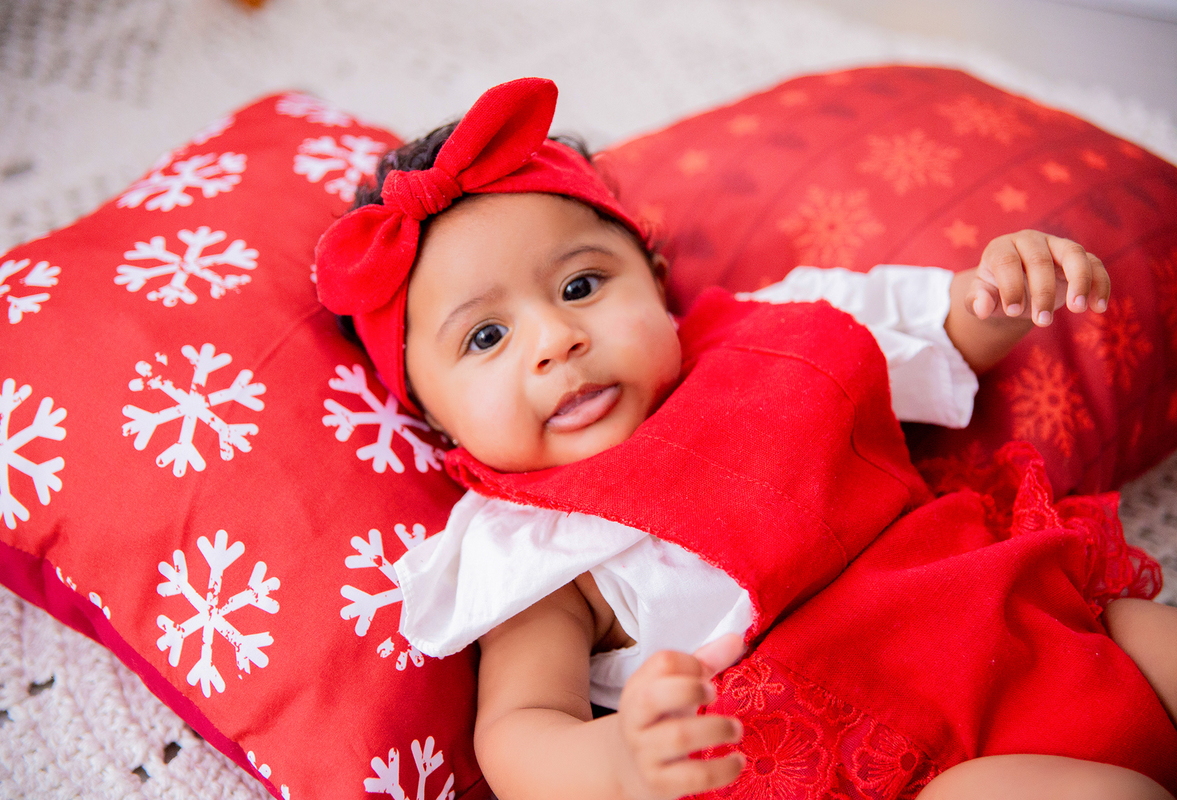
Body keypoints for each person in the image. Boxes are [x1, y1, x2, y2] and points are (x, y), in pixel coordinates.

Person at [315, 78, 1177, 800]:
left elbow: (941, 331)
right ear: (431, 415)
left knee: (1151, 634)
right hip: (902, 765)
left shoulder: (778, 333)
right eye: (486, 338)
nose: (555, 340)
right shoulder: (535, 546)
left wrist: (1004, 287)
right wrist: (615, 763)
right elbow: (518, 730)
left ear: (656, 283)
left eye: (581, 286)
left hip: (1024, 619)